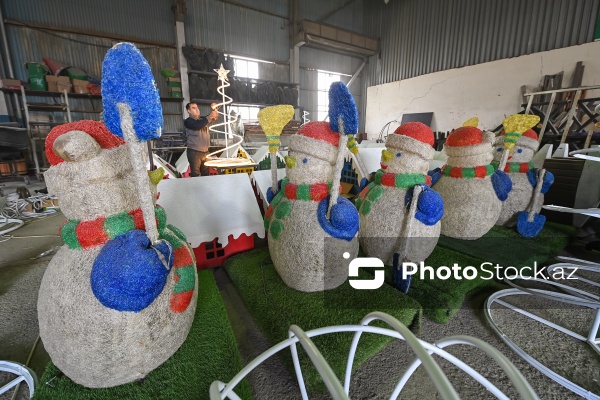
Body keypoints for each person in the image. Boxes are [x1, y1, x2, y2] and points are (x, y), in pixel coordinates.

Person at [184, 102, 219, 177]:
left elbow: (212, 118)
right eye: (193, 108)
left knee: (206, 173)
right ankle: (196, 188)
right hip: (194, 152)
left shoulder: (202, 120)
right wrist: (210, 116)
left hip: (205, 151)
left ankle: (205, 188)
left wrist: (215, 109)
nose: (197, 109)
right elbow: (197, 125)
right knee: (195, 174)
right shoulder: (188, 121)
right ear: (188, 111)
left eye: (197, 107)